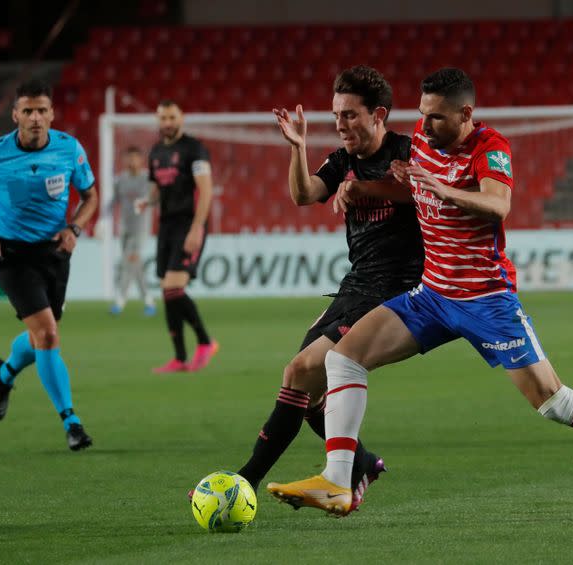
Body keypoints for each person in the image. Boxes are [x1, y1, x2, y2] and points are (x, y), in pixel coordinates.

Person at [267, 68, 573, 520]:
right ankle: (338, 479)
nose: (425, 129)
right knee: (342, 358)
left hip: (486, 300)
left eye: (437, 119)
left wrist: (441, 188)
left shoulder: (491, 148)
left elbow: (497, 204)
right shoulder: (424, 142)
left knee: (554, 401)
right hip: (431, 295)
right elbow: (410, 190)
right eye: (423, 117)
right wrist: (371, 185)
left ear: (466, 113)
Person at [231, 66, 424, 512]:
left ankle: (245, 481)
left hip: (397, 291)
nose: (341, 124)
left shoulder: (409, 152)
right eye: (336, 115)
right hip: (354, 287)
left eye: (350, 115)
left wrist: (364, 188)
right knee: (307, 392)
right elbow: (303, 194)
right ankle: (364, 462)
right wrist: (298, 149)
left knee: (299, 371)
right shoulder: (341, 160)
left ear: (379, 115)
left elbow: (423, 193)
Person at [0, 79, 98, 450]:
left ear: (52, 114)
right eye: (28, 111)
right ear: (15, 116)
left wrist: (75, 227)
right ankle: (71, 422)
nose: (36, 118)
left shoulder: (69, 149)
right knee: (49, 334)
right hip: (11, 255)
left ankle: (4, 372)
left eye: (42, 110)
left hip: (54, 253)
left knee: (42, 333)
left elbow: (90, 196)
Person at [135, 100, 217, 373]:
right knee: (167, 292)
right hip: (166, 227)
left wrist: (197, 228)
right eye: (163, 118)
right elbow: (156, 188)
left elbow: (205, 191)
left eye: (172, 117)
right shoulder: (156, 152)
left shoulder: (194, 149)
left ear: (181, 118)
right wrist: (146, 201)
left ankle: (205, 342)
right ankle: (180, 358)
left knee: (173, 288)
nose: (168, 122)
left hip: (189, 223)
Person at [108, 145, 155, 316]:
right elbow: (113, 202)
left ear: (141, 160)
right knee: (135, 266)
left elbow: (155, 200)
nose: (132, 161)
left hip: (140, 229)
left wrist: (146, 202)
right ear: (125, 160)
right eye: (129, 157)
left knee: (128, 262)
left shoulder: (148, 179)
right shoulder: (121, 180)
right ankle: (149, 300)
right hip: (125, 228)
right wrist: (102, 220)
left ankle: (120, 301)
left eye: (135, 157)